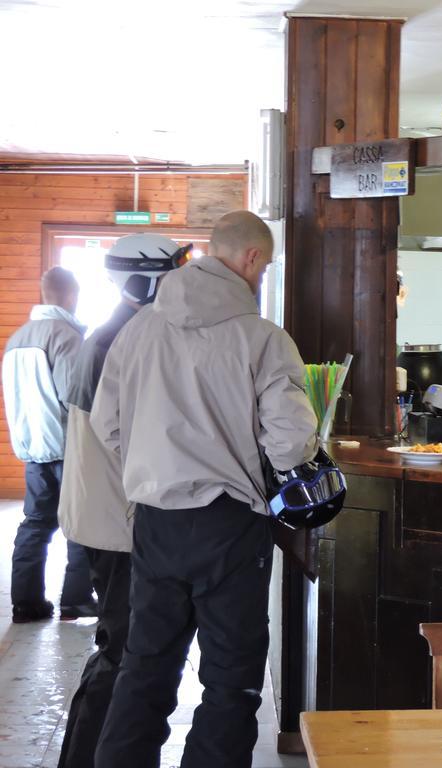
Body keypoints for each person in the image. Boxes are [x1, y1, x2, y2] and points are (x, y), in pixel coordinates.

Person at [90, 211, 318, 768]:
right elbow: (291, 444)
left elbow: (106, 424)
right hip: (229, 526)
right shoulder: (263, 337)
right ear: (253, 259)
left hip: (155, 521)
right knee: (230, 680)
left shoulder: (138, 329)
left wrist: (153, 460)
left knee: (145, 665)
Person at [57, 233, 191, 768]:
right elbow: (138, 442)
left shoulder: (116, 331)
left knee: (122, 650)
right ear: (144, 279)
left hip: (107, 517)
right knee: (124, 655)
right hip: (119, 523)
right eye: (177, 269)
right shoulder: (124, 339)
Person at [1, 266, 94, 623]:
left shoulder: (18, 337)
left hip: (32, 448)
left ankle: (25, 603)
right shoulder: (66, 336)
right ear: (72, 296)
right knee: (78, 523)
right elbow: (76, 396)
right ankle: (76, 598)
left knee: (35, 523)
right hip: (67, 447)